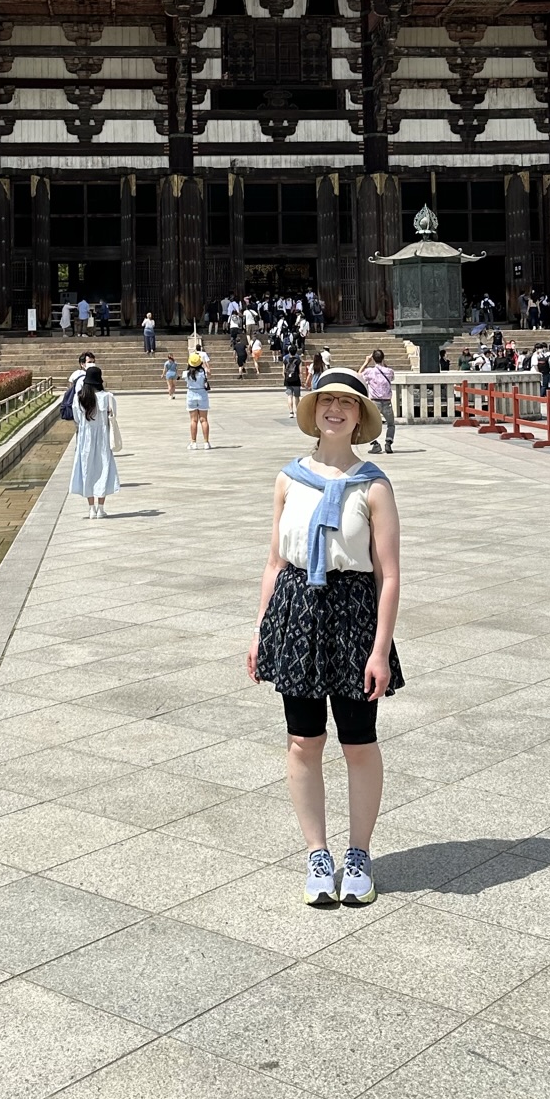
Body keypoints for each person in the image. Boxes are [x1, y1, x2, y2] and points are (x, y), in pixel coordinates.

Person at [248, 368, 403, 909]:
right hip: (297, 613)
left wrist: (380, 648)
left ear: (361, 415)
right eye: (326, 401)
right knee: (302, 740)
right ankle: (317, 851)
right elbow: (273, 561)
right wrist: (261, 627)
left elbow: (388, 575)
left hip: (355, 613)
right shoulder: (288, 479)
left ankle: (358, 852)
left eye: (347, 402)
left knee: (358, 743)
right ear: (313, 411)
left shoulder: (374, 485)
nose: (335, 409)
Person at [70, 363, 119, 521]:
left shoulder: (79, 397)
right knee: (103, 468)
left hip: (85, 438)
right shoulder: (107, 397)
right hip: (102, 438)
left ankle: (91, 508)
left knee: (87, 469)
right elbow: (113, 416)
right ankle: (101, 508)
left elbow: (77, 418)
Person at [359, 347, 396, 454]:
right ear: (383, 358)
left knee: (366, 423)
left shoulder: (370, 371)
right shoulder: (389, 371)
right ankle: (388, 441)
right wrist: (384, 363)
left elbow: (358, 374)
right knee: (391, 424)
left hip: (374, 402)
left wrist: (366, 362)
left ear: (373, 359)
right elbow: (391, 377)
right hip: (387, 402)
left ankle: (375, 444)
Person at [186, 348, 213, 448]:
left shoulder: (187, 374)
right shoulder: (203, 373)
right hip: (202, 394)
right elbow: (209, 373)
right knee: (204, 419)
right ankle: (206, 442)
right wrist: (204, 363)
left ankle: (193, 442)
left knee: (193, 420)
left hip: (191, 394)